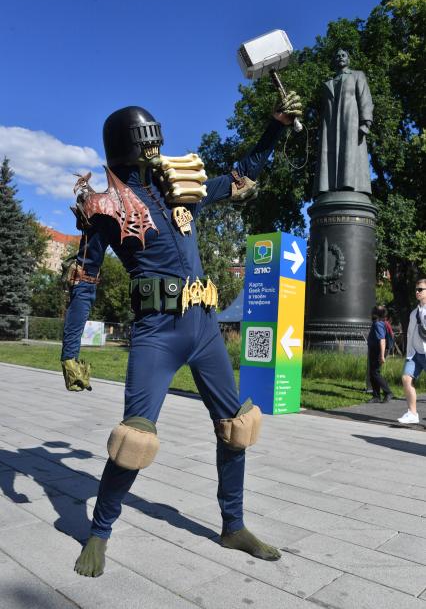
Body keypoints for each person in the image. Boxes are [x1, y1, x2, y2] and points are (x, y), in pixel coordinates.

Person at [60, 91, 303, 577]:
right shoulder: (105, 208)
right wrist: (70, 350)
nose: (156, 150)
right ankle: (99, 533)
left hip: (205, 327)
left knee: (238, 427)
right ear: (129, 148)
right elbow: (84, 281)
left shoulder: (179, 189)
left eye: (157, 142)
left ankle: (232, 525)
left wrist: (275, 125)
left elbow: (241, 177)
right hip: (157, 332)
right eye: (148, 143)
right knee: (135, 440)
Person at [313, 48, 374, 196]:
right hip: (330, 128)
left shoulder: (357, 75)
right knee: (329, 157)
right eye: (338, 56)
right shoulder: (328, 83)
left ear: (348, 59)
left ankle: (349, 185)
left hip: (350, 122)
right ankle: (328, 187)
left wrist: (366, 123)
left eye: (343, 55)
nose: (340, 57)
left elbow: (365, 98)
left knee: (350, 154)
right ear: (334, 61)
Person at [398, 279, 426, 424]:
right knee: (406, 379)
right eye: (416, 289)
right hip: (414, 354)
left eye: (420, 289)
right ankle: (412, 413)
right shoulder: (414, 312)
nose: (417, 292)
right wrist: (409, 352)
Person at [367, 305, 394, 403]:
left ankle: (388, 392)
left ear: (376, 313)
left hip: (378, 351)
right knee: (372, 373)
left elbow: (382, 340)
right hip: (375, 350)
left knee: (375, 373)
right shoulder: (381, 322)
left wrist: (382, 355)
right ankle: (376, 396)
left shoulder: (378, 324)